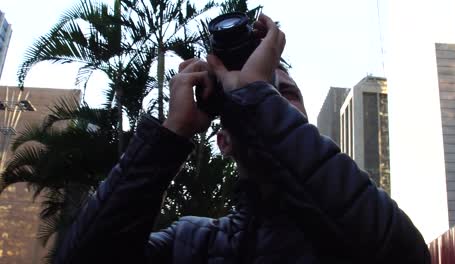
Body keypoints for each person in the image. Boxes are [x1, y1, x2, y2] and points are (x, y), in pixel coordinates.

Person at [54, 14, 430, 264]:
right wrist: (172, 134)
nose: (269, 97)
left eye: (285, 96)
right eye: (263, 92)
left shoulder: (351, 229)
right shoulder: (190, 245)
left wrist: (253, 98)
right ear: (223, 141)